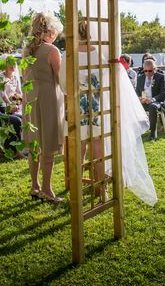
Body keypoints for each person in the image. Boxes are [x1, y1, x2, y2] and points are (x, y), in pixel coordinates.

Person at [58, 20, 105, 191]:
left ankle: (76, 187)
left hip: (76, 105)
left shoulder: (69, 54)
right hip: (96, 105)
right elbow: (104, 78)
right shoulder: (98, 52)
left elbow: (63, 83)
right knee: (97, 146)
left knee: (78, 148)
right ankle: (101, 187)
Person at [23, 12, 65, 203]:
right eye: (55, 32)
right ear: (48, 31)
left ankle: (35, 186)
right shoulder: (52, 51)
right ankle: (47, 189)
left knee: (34, 146)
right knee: (48, 146)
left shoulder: (27, 50)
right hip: (48, 100)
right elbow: (61, 80)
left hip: (30, 101)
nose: (56, 35)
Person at [135, 58, 165, 140]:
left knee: (152, 107)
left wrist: (151, 99)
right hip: (144, 101)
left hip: (156, 102)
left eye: (150, 71)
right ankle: (136, 131)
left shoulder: (160, 77)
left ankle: (152, 133)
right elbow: (137, 91)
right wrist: (141, 98)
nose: (147, 73)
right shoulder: (140, 78)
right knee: (132, 106)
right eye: (145, 71)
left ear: (155, 69)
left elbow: (162, 94)